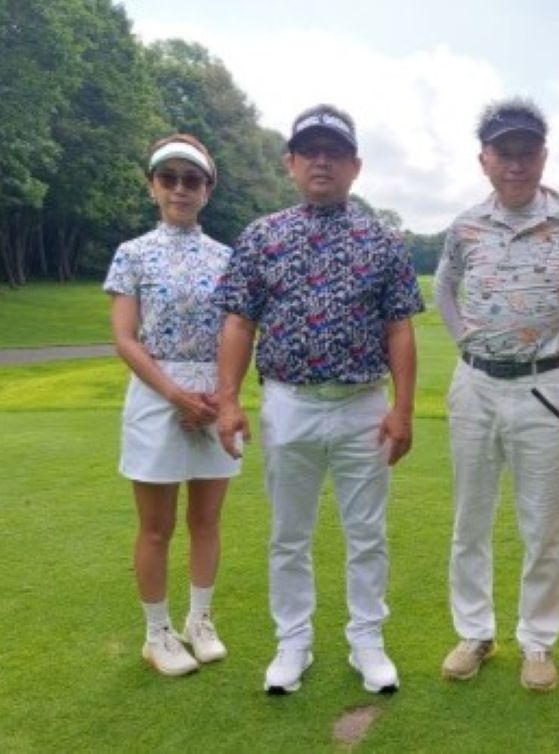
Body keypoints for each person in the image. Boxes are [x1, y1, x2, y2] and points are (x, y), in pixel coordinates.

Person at [213, 104, 424, 695]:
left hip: (363, 405)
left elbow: (400, 329)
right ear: (291, 163)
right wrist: (227, 401)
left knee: (367, 534)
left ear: (356, 165)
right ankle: (293, 643)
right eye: (310, 151)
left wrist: (403, 408)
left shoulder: (383, 240)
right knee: (289, 534)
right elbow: (238, 323)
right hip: (289, 403)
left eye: (335, 152)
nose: (322, 162)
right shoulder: (262, 236)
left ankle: (367, 641)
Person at [433, 98, 559, 692]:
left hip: (545, 385)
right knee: (470, 518)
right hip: (475, 384)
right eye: (504, 153)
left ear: (543, 156)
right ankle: (475, 633)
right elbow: (444, 285)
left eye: (527, 152)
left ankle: (537, 641)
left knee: (541, 523)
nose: (516, 164)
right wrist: (462, 336)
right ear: (484, 160)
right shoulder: (466, 225)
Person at [104, 134, 240, 677]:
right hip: (156, 390)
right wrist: (175, 394)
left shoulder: (228, 257)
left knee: (206, 520)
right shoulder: (132, 253)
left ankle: (199, 621)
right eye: (169, 178)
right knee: (156, 526)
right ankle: (157, 633)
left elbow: (236, 334)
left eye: (192, 180)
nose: (180, 189)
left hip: (213, 392)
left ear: (207, 190)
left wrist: (220, 396)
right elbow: (125, 337)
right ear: (152, 187)